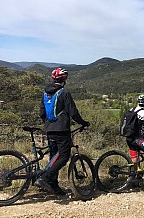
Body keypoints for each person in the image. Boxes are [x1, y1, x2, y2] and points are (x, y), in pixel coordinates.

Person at [35, 67, 90, 195]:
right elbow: (73, 113)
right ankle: (44, 178)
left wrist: (49, 125)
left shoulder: (45, 93)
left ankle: (53, 186)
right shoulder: (64, 93)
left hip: (49, 130)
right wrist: (83, 123)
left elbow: (41, 113)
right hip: (61, 130)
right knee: (64, 156)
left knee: (54, 157)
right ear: (64, 79)